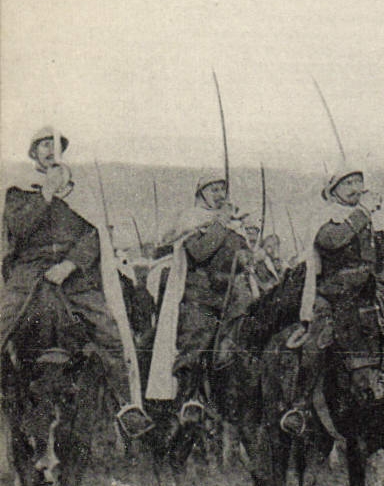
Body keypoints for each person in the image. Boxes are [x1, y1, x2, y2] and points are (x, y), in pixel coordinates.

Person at [1, 128, 151, 436]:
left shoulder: (78, 193)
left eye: (55, 146)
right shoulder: (19, 190)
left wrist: (70, 264)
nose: (50, 151)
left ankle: (126, 405)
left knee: (110, 329)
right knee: (4, 318)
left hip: (72, 276)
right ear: (33, 153)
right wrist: (45, 193)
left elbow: (92, 235)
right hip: (29, 270)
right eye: (44, 145)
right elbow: (18, 227)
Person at [281, 168, 384, 434]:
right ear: (333, 190)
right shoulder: (327, 217)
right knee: (316, 341)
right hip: (333, 294)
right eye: (347, 183)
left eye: (358, 181)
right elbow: (332, 241)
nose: (354, 187)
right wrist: (363, 213)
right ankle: (299, 406)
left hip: (368, 292)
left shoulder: (366, 219)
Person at [146, 175, 251, 420]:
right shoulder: (191, 218)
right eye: (213, 189)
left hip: (231, 297)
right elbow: (199, 252)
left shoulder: (231, 223)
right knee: (198, 338)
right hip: (199, 296)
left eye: (222, 189)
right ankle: (188, 397)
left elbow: (243, 252)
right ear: (201, 193)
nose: (219, 194)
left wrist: (246, 255)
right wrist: (221, 225)